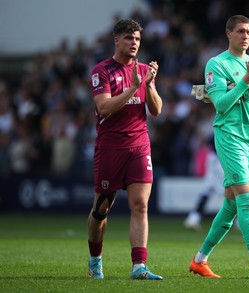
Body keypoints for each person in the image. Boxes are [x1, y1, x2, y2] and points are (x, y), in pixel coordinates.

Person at [189, 15, 249, 280]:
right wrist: (246, 78)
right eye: (241, 31)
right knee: (247, 200)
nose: (246, 36)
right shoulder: (217, 64)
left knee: (231, 206)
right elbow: (220, 104)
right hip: (229, 136)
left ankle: (200, 260)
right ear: (228, 33)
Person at [87, 19, 163, 280]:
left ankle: (139, 266)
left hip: (139, 145)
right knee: (102, 210)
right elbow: (104, 108)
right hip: (110, 147)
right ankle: (95, 259)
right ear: (116, 40)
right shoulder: (102, 70)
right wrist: (133, 87)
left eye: (138, 39)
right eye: (129, 38)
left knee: (140, 205)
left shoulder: (143, 70)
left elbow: (156, 109)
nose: (134, 43)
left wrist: (149, 85)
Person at [183, 136, 225, 231]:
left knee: (204, 198)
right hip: (215, 180)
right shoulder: (213, 156)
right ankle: (192, 220)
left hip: (213, 181)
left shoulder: (211, 155)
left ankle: (192, 219)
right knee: (233, 199)